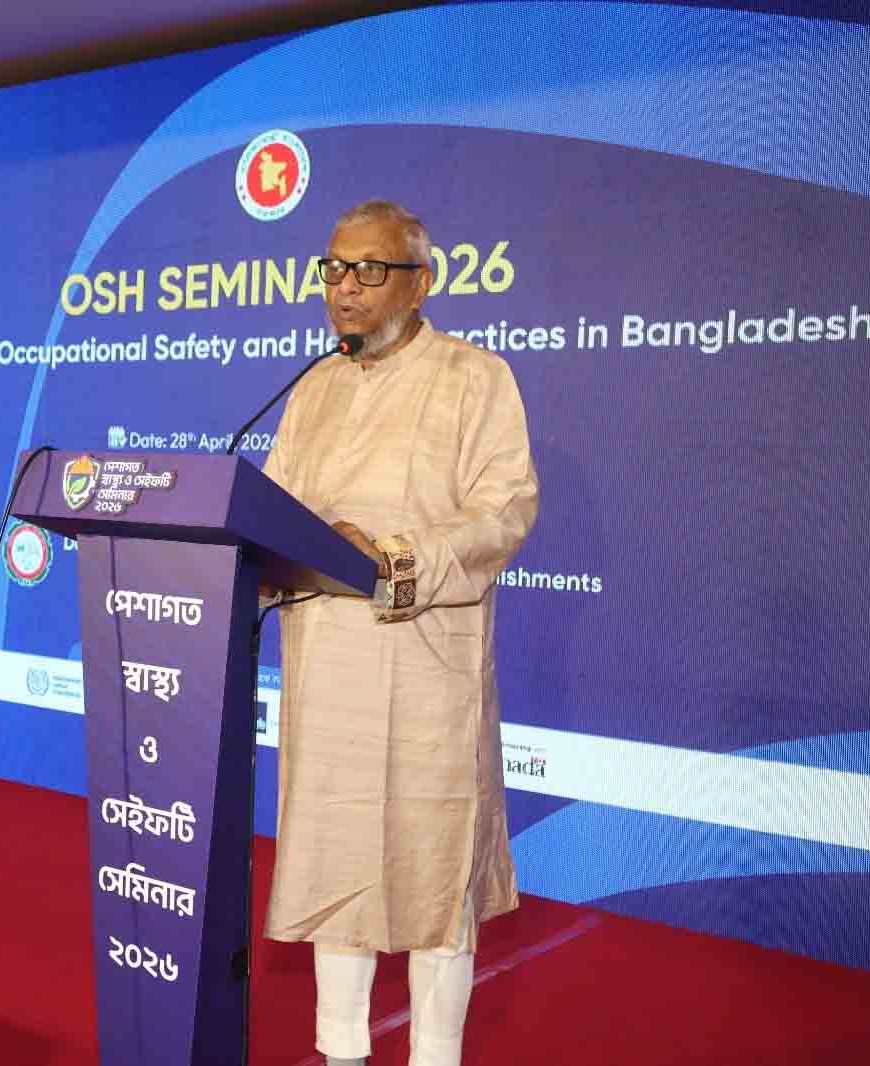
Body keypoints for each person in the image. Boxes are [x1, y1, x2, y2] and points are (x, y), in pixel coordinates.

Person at [261, 200, 539, 1066]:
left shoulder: (474, 377)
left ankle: (435, 1055)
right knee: (336, 865)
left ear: (421, 284)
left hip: (427, 668)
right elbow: (272, 509)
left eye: (369, 269)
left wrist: (389, 559)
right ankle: (340, 1050)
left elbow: (504, 512)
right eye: (334, 269)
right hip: (327, 663)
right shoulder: (313, 387)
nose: (345, 287)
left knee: (434, 873)